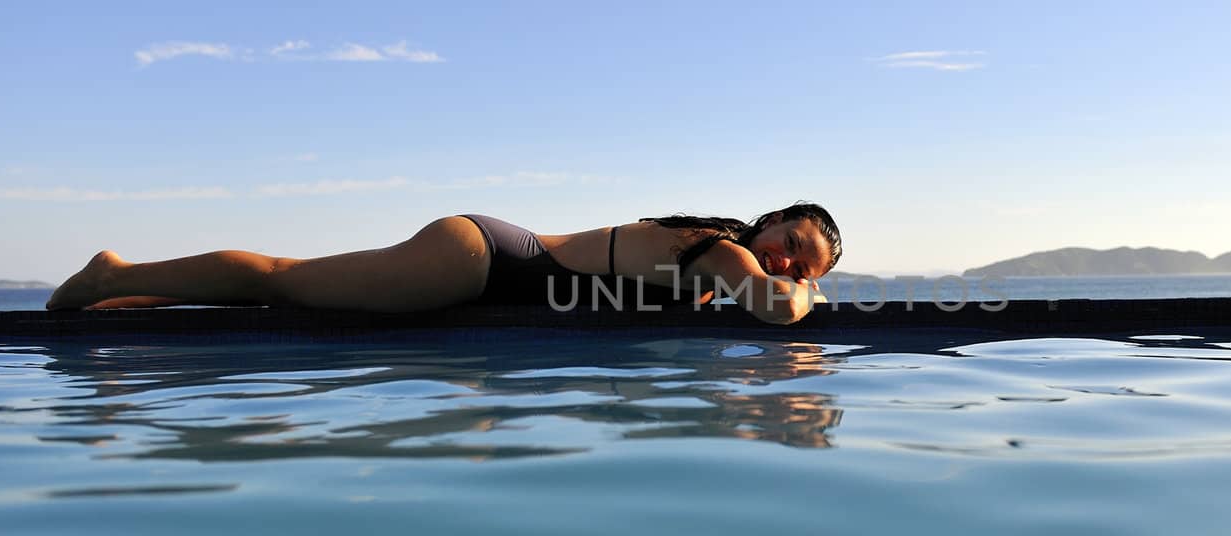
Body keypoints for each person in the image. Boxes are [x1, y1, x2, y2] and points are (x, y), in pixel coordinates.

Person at [46, 203, 841, 325]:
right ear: (769, 221)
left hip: (494, 261)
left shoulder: (709, 270)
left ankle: (124, 300)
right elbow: (777, 311)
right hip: (487, 260)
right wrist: (803, 298)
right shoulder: (731, 255)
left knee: (293, 298)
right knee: (286, 279)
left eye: (804, 264)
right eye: (794, 245)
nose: (788, 262)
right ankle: (114, 271)